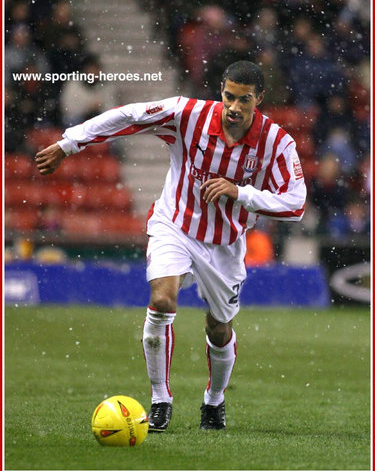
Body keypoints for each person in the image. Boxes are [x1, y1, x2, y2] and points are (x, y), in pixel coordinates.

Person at [35, 61, 307, 432]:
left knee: (219, 329)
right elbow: (128, 116)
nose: (234, 106)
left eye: (244, 100)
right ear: (221, 92)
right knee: (162, 301)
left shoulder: (276, 142)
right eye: (229, 96)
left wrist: (241, 192)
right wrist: (70, 143)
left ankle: (214, 401)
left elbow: (296, 202)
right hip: (174, 225)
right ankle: (161, 399)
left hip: (225, 245)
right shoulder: (188, 114)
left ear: (258, 98)